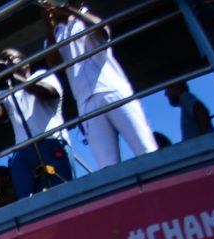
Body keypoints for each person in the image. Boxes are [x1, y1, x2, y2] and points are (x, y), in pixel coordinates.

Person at [41, 3, 159, 169]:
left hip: (113, 89)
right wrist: (49, 25)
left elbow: (104, 31)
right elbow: (54, 64)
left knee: (145, 147)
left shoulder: (84, 16)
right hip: (85, 102)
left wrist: (69, 10)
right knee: (107, 165)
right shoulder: (55, 34)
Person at [0, 47, 72, 197]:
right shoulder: (6, 93)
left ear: (25, 62)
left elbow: (49, 93)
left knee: (63, 193)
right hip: (22, 152)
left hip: (50, 142)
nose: (6, 63)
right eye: (3, 61)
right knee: (28, 200)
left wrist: (16, 78)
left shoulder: (42, 75)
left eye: (10, 58)